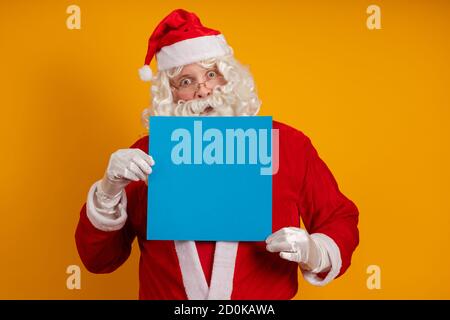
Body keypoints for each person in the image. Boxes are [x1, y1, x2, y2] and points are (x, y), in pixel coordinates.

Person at [75, 9, 359, 300]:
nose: (203, 90)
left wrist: (315, 252)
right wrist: (108, 190)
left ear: (231, 79)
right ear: (169, 94)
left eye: (212, 74)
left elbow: (339, 217)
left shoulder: (287, 145)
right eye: (186, 81)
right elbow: (100, 260)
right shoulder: (144, 157)